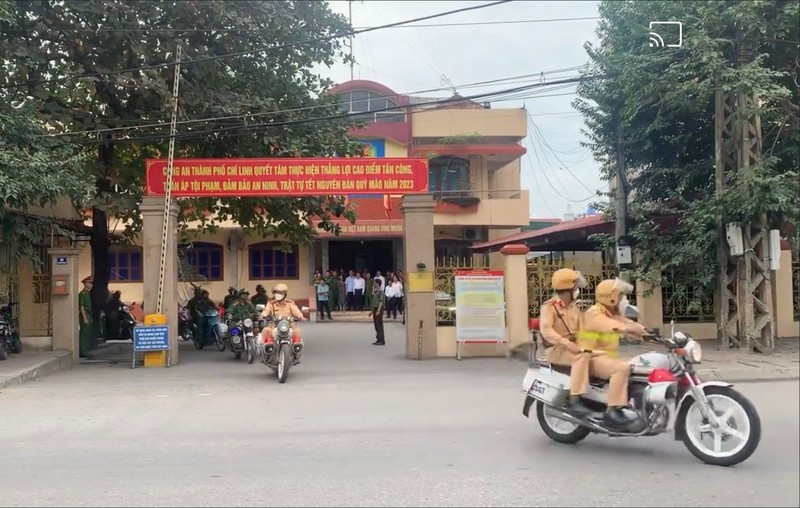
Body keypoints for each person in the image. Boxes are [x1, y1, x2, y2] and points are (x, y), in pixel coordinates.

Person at [78, 276, 93, 358]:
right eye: (90, 283)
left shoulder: (89, 294)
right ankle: (83, 351)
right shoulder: (82, 294)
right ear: (85, 284)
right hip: (85, 315)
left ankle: (86, 351)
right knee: (84, 334)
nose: (91, 285)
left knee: (87, 334)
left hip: (89, 315)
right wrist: (84, 318)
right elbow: (81, 307)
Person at [368, 278, 386, 345]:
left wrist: (378, 310)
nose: (374, 284)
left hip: (379, 309)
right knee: (376, 325)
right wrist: (372, 311)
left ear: (378, 284)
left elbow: (381, 301)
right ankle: (378, 339)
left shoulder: (381, 291)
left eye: (375, 283)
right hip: (375, 309)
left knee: (379, 324)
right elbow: (374, 302)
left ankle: (381, 340)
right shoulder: (375, 291)